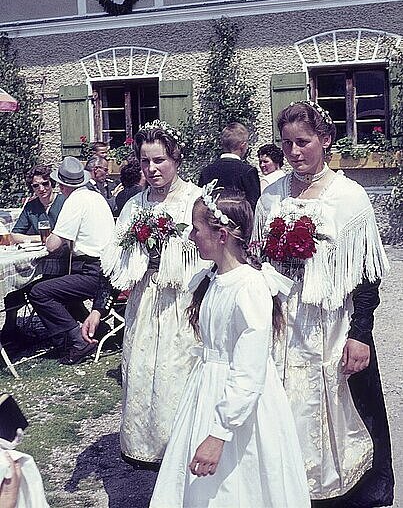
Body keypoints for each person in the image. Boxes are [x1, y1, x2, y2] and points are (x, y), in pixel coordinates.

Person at [253, 101, 394, 507]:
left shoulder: (348, 197)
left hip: (330, 324)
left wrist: (360, 335)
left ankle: (336, 491)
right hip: (283, 321)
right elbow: (261, 260)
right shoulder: (273, 195)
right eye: (287, 144)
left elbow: (367, 276)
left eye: (303, 142)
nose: (294, 152)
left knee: (336, 407)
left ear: (325, 140)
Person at [150, 187, 310, 508]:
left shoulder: (249, 287)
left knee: (241, 485)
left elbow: (249, 370)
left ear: (221, 234)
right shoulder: (214, 278)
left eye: (197, 229)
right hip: (207, 389)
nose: (192, 236)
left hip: (238, 402)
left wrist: (219, 433)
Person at [81, 120, 206, 467]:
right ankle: (154, 456)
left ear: (177, 159)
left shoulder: (195, 200)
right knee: (145, 377)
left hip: (185, 304)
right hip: (145, 304)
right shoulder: (135, 206)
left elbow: (215, 258)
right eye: (146, 161)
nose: (152, 169)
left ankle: (186, 455)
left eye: (160, 160)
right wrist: (97, 310)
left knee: (179, 377)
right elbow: (114, 261)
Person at [28, 157, 115, 364]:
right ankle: (95, 331)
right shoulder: (95, 197)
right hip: (107, 267)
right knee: (62, 286)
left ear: (61, 185)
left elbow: (52, 245)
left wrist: (45, 236)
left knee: (38, 291)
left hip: (95, 272)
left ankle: (77, 340)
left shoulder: (74, 201)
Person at [1, 165, 66, 347]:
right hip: (40, 259)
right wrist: (37, 238)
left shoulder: (63, 202)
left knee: (35, 285)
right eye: (36, 186)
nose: (41, 189)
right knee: (17, 282)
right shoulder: (32, 206)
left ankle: (59, 333)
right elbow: (14, 235)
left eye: (45, 184)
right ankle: (11, 328)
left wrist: (50, 238)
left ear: (51, 183)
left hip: (63, 260)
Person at [198, 122, 260, 210]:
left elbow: (201, 204)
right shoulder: (248, 172)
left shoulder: (206, 171)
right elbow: (254, 206)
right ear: (242, 145)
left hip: (211, 221)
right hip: (239, 222)